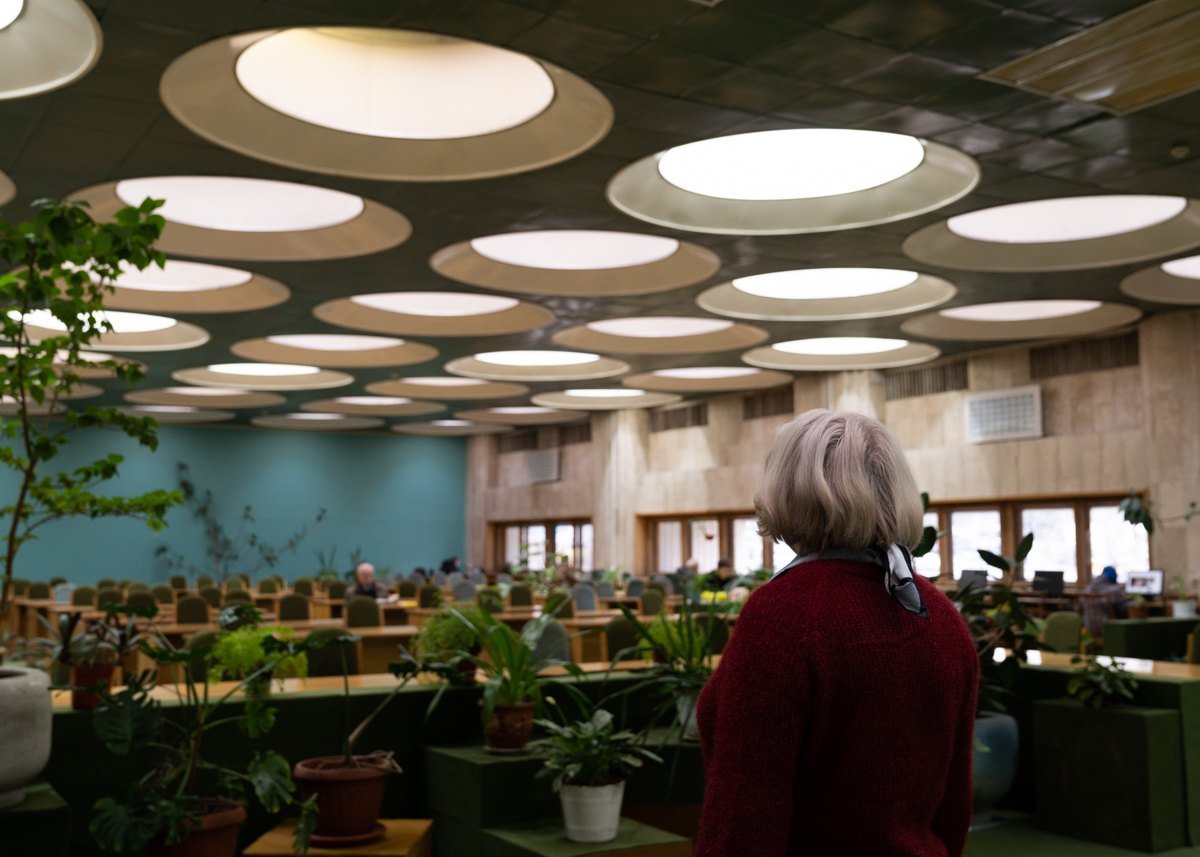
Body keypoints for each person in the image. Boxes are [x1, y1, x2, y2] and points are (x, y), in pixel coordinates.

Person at [695, 409, 978, 857]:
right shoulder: (938, 614)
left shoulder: (784, 616)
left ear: (787, 490)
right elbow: (955, 803)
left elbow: (744, 815)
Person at [1083, 565, 1128, 635]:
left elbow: (1080, 607)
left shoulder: (1088, 589)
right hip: (1107, 627)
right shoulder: (1115, 590)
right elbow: (1123, 609)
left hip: (1088, 627)